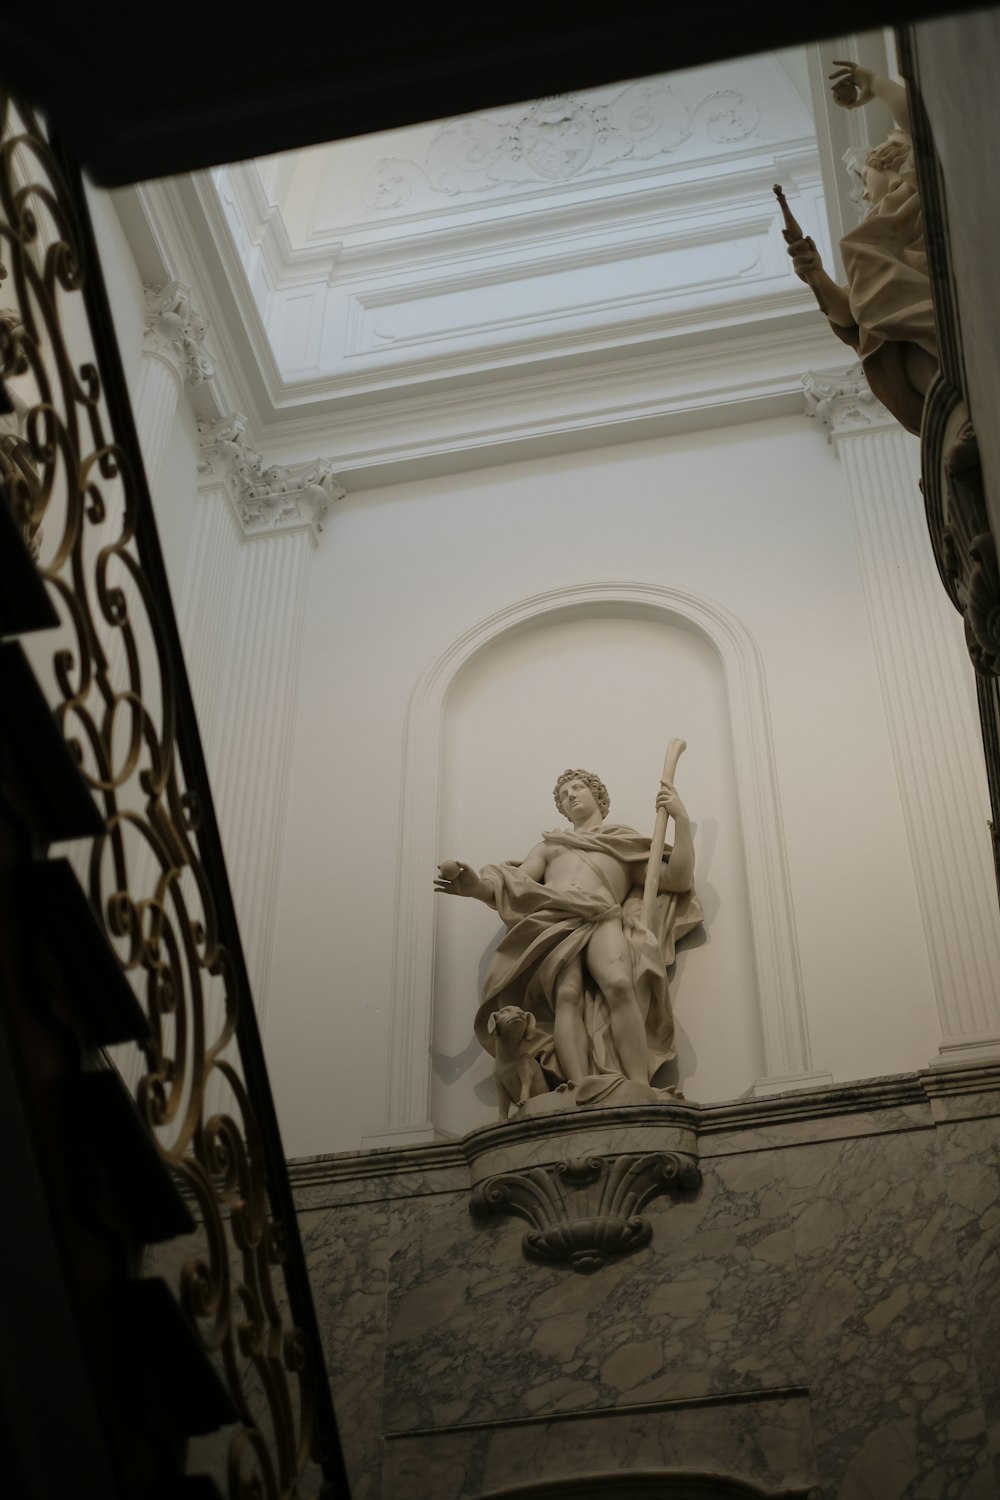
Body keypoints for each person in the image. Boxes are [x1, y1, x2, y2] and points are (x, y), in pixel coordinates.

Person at [434, 769, 702, 1100]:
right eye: (563, 795)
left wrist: (681, 820)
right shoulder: (551, 846)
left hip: (602, 916)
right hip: (554, 920)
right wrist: (476, 888)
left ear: (599, 796)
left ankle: (639, 1084)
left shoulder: (622, 844)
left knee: (620, 984)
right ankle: (577, 1085)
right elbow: (516, 884)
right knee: (567, 996)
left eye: (578, 788)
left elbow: (677, 879)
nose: (571, 795)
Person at [784, 60, 938, 436]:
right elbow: (850, 313)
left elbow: (916, 122)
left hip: (939, 302)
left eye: (869, 180)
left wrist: (876, 84)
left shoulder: (921, 192)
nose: (866, 193)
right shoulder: (875, 249)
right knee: (940, 395)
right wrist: (814, 274)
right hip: (909, 338)